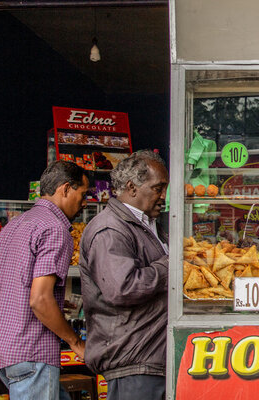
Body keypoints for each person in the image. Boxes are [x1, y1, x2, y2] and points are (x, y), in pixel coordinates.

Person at [0, 161, 89, 400]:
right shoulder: (55, 228)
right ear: (65, 189)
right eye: (83, 194)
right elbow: (40, 299)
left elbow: (12, 285)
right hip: (29, 350)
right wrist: (75, 341)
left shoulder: (16, 224)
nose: (85, 202)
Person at [79, 150, 169, 400]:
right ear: (131, 187)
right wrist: (170, 266)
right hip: (134, 359)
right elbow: (122, 287)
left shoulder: (149, 225)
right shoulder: (110, 229)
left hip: (150, 357)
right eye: (158, 188)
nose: (163, 196)